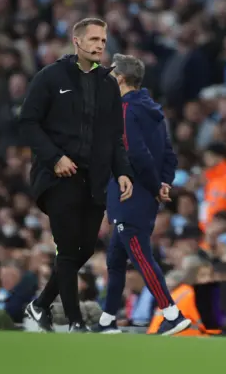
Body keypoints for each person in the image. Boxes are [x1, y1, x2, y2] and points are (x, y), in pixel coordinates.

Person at [20, 18, 133, 333]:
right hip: (58, 177)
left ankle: (40, 305)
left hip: (94, 179)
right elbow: (28, 122)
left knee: (83, 250)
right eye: (94, 39)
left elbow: (114, 137)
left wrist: (122, 172)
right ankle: (74, 322)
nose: (100, 45)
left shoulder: (108, 84)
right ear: (77, 40)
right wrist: (54, 157)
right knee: (69, 248)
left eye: (103, 40)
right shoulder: (50, 77)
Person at [94, 53, 191, 335]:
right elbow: (169, 154)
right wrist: (163, 184)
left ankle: (171, 314)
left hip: (130, 196)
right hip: (144, 196)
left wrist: (152, 185)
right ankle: (106, 321)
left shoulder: (124, 110)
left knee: (140, 256)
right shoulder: (154, 110)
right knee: (115, 259)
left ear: (121, 79)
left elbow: (136, 153)